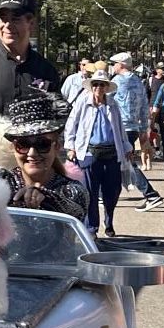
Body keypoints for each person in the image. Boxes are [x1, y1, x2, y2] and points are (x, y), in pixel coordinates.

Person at [2, 88, 88, 219]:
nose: (32, 153)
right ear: (13, 147)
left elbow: (76, 212)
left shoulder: (72, 190)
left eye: (42, 144)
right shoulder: (2, 182)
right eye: (23, 145)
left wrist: (48, 199)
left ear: (57, 146)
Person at [64, 72, 130, 238]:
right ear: (91, 87)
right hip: (89, 152)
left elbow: (120, 128)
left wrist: (127, 146)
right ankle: (92, 228)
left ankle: (109, 222)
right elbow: (72, 124)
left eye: (102, 85)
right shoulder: (82, 102)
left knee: (112, 190)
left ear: (107, 87)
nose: (98, 88)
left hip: (112, 152)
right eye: (96, 84)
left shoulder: (112, 104)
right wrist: (71, 147)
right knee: (90, 192)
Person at [108, 53, 164, 212]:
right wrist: (143, 130)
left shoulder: (117, 81)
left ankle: (151, 195)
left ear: (121, 64)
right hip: (133, 127)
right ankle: (107, 193)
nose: (113, 66)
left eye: (115, 63)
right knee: (121, 161)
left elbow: (104, 102)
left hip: (119, 128)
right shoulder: (138, 82)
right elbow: (145, 106)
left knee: (125, 162)